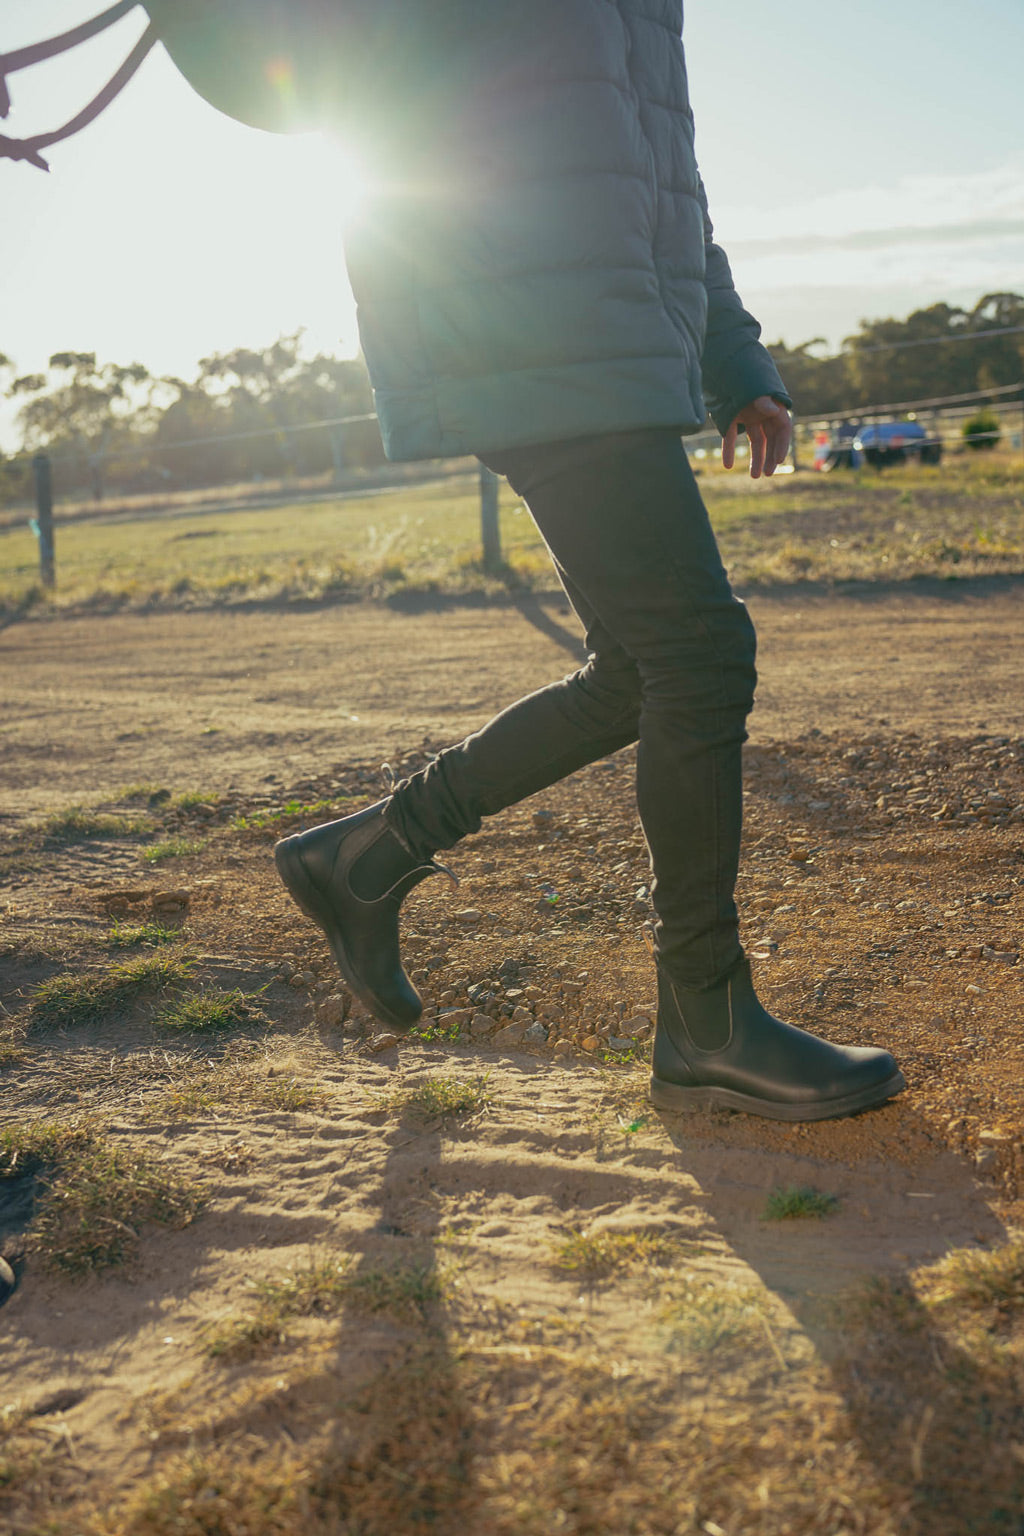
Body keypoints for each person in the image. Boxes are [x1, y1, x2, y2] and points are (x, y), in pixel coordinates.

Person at [157, 0, 904, 1120]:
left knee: (639, 670)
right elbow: (298, 74)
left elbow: (657, 174)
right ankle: (704, 1015)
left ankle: (365, 858)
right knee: (700, 655)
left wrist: (732, 353)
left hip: (600, 334)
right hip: (522, 324)